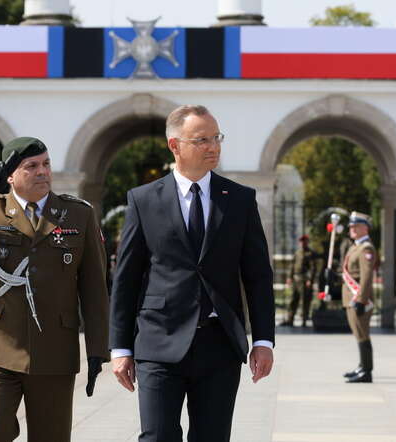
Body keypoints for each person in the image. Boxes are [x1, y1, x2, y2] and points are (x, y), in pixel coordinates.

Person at [109, 105, 275, 442]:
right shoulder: (143, 200)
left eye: (216, 138)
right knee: (157, 436)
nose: (213, 146)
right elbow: (126, 278)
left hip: (219, 344)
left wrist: (262, 340)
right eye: (202, 140)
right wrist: (120, 349)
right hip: (159, 341)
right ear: (175, 145)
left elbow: (257, 275)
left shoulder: (240, 199)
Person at [0, 137, 109, 442]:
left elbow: (93, 287)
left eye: (46, 164)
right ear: (10, 175)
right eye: (31, 166)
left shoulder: (78, 214)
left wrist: (97, 350)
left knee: (50, 436)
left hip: (54, 347)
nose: (43, 172)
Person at [340, 211, 378, 383]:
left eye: (356, 226)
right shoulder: (354, 246)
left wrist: (361, 300)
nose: (352, 229)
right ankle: (362, 366)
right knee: (358, 334)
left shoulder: (366, 248)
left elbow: (367, 276)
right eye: (351, 226)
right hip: (351, 297)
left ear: (365, 228)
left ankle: (367, 371)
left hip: (359, 298)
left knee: (363, 334)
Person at [279, 234, 317, 327]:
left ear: (307, 241)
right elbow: (292, 265)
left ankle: (304, 320)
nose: (302, 242)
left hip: (304, 280)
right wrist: (289, 277)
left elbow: (313, 268)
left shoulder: (310, 253)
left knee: (304, 301)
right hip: (296, 279)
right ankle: (290, 319)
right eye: (301, 241)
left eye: (304, 241)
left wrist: (310, 280)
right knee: (293, 300)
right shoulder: (298, 252)